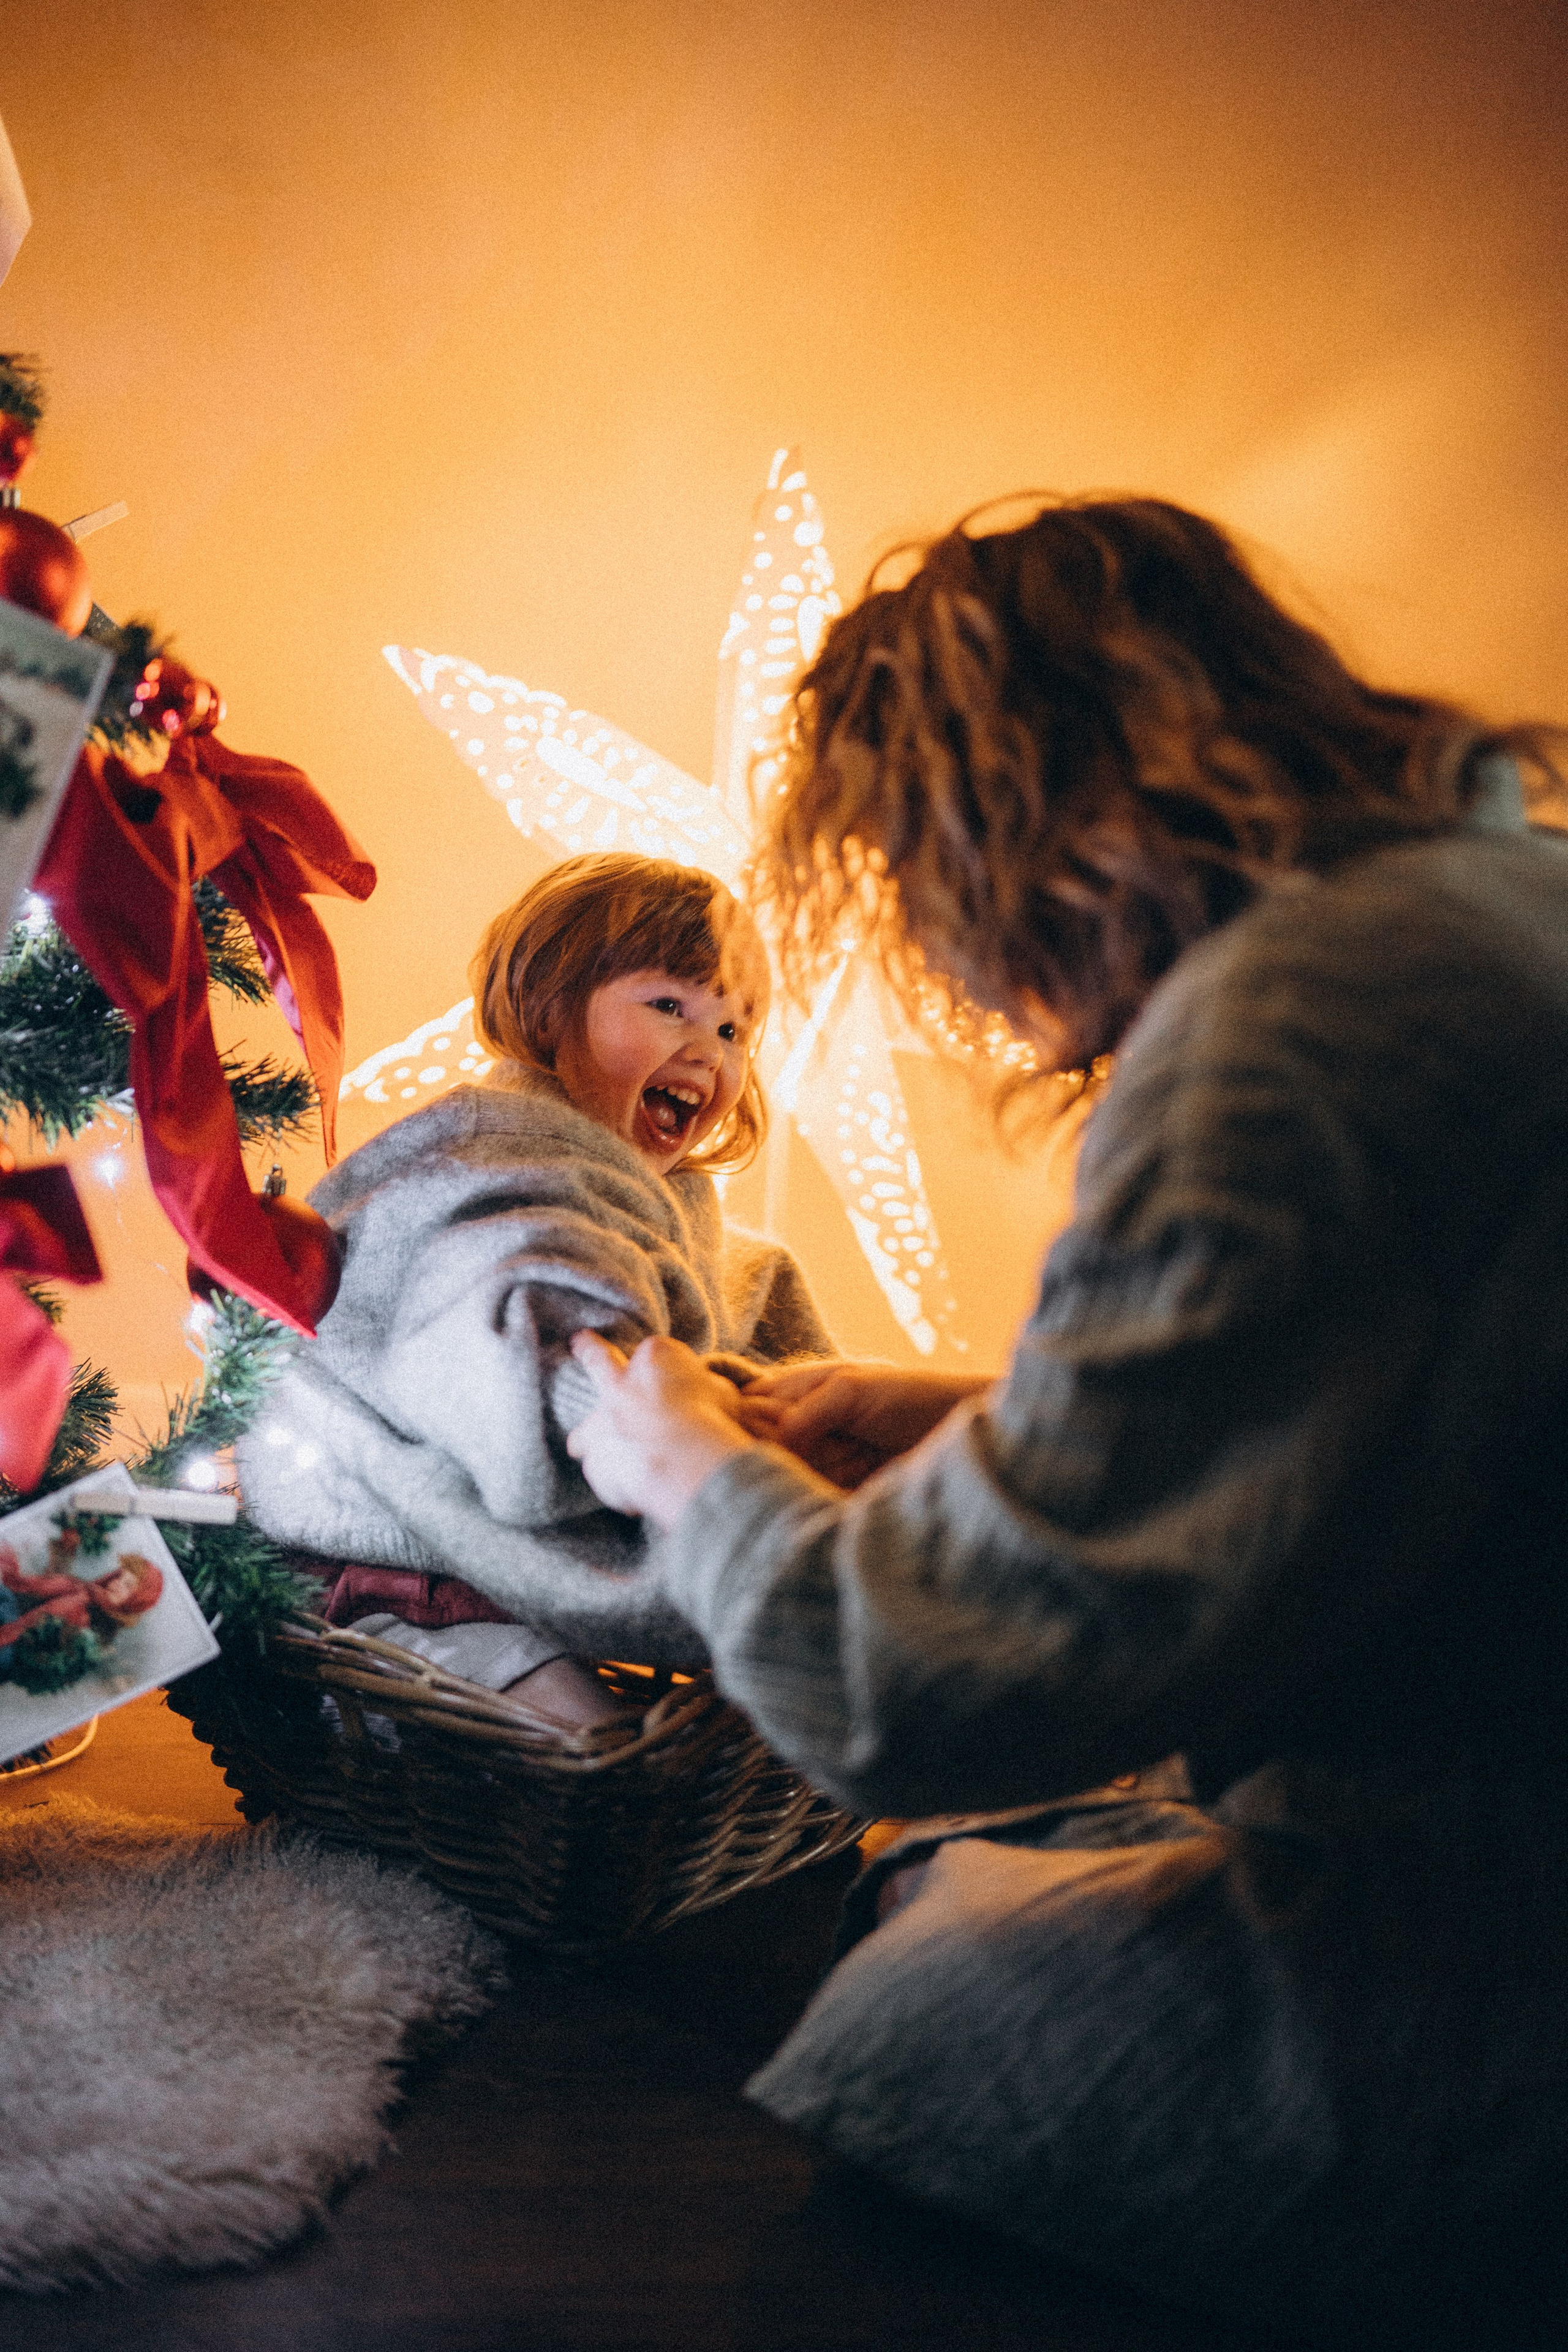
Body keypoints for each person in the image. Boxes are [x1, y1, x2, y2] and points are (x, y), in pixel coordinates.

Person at [563, 498, 1568, 2342]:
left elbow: (920, 1691)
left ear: (998, 815)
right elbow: (1417, 1403)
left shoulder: (1295, 1016)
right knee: (1017, 1869)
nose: (952, 975)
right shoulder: (1502, 901)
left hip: (1508, 1958)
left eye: (916, 885)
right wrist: (973, 1415)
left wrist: (676, 1459)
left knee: (917, 1995)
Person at [236, 853, 832, 1729]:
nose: (707, 1050)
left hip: (560, 1547)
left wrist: (815, 1460)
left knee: (782, 1713)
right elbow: (504, 1353)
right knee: (593, 1750)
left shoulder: (696, 1227)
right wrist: (657, 1423)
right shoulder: (490, 1163)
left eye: (736, 1030)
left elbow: (786, 1372)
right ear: (551, 1010)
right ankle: (384, 1675)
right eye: (670, 1005)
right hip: (420, 1547)